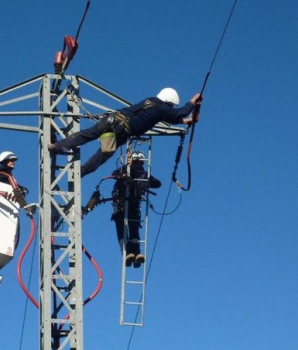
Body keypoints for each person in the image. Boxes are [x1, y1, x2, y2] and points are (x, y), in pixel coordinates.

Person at [49, 88, 202, 177]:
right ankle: (80, 173)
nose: (170, 107)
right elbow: (178, 113)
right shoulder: (162, 109)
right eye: (170, 105)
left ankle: (56, 146)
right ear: (168, 102)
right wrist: (192, 102)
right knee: (102, 156)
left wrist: (185, 121)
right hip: (121, 132)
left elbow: (171, 117)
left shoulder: (152, 102)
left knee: (86, 135)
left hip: (112, 120)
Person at [110, 151, 161, 267]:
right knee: (122, 227)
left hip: (134, 205)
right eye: (136, 162)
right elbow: (114, 174)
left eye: (139, 162)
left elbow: (158, 183)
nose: (137, 164)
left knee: (134, 228)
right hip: (121, 204)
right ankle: (127, 252)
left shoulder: (143, 174)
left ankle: (136, 253)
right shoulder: (123, 170)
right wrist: (124, 178)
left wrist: (146, 184)